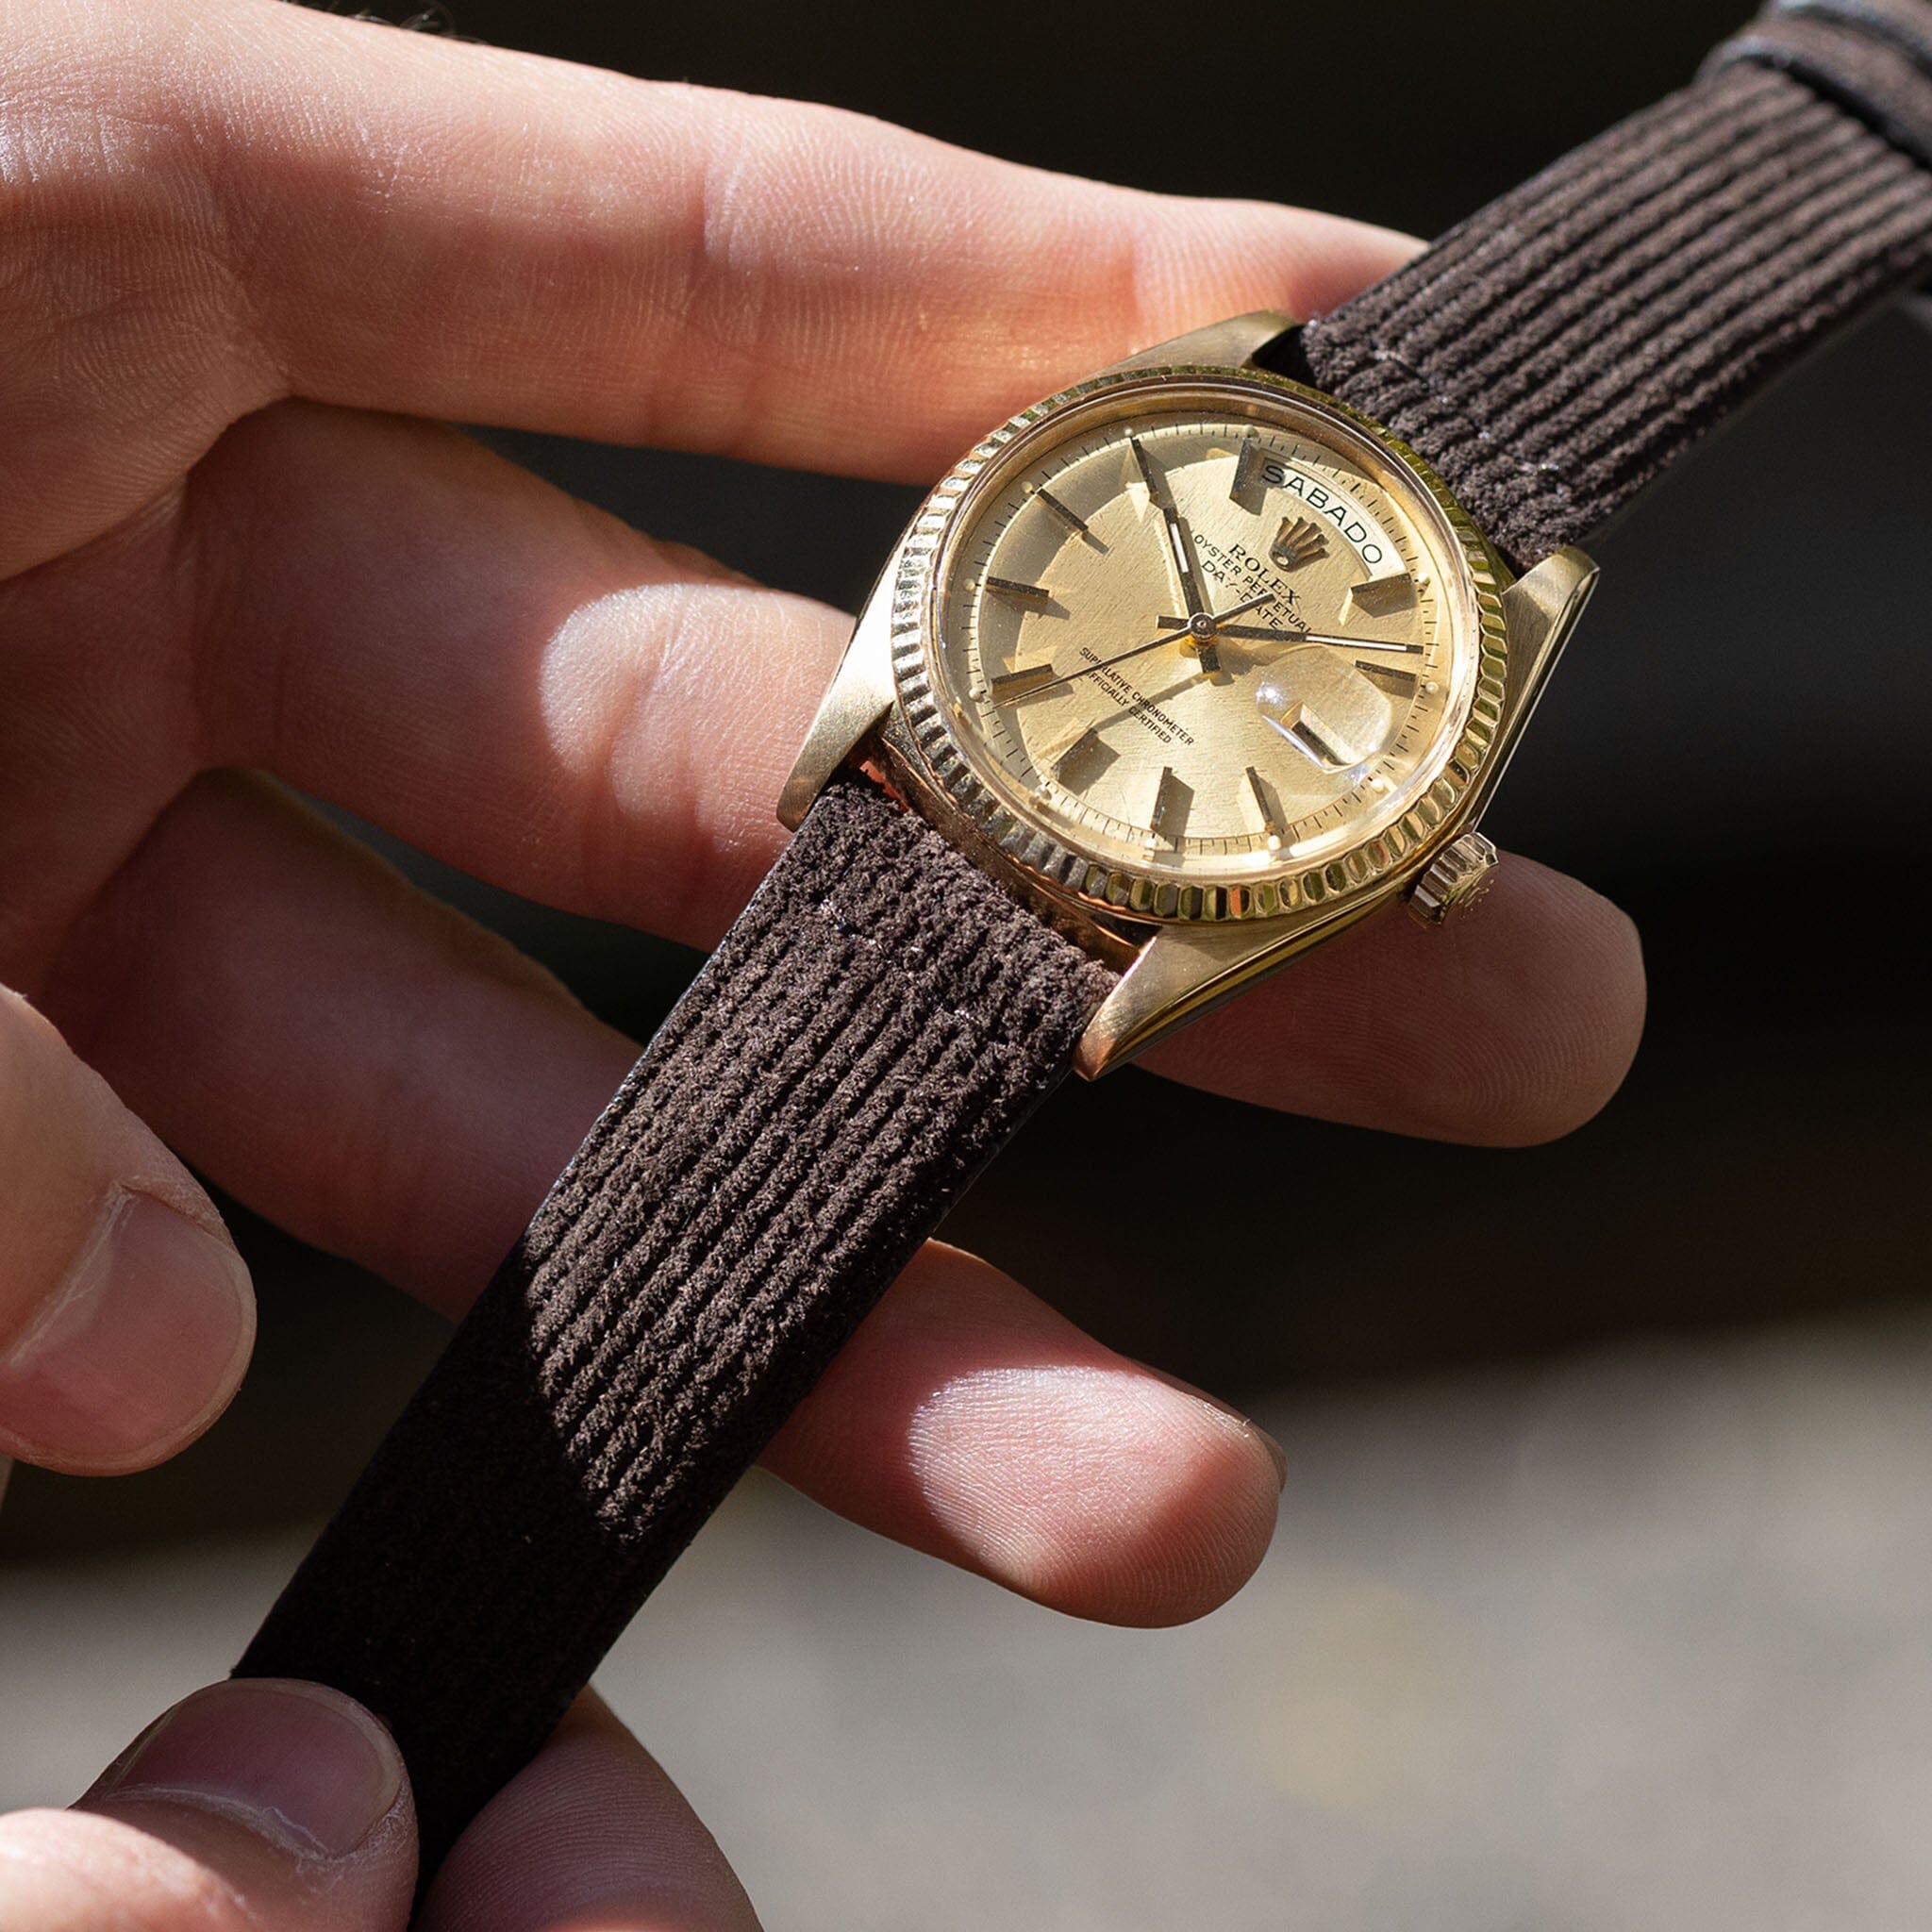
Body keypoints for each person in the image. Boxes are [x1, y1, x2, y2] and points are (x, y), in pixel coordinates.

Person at [0, 1, 1645, 1924]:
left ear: (1408, 844)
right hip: (970, 752)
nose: (1209, 643)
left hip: (1083, 871)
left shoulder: (1453, 615)